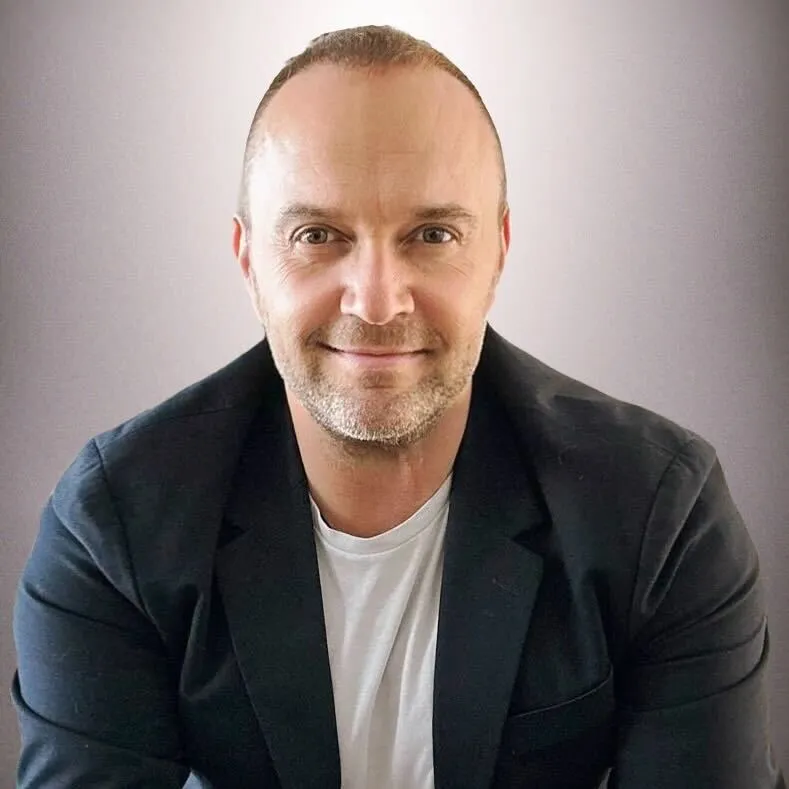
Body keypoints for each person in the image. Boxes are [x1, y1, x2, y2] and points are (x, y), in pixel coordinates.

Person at [11, 23, 785, 789]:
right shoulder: (117, 523)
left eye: (432, 233)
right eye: (318, 234)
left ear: (497, 254)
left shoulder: (656, 511)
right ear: (249, 263)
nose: (377, 302)